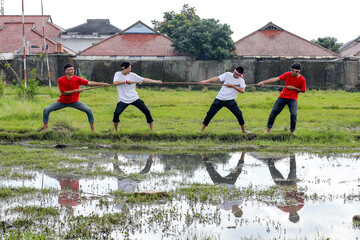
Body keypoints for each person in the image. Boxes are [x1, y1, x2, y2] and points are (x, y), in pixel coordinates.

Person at [40, 64, 110, 132]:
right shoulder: (61, 80)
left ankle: (93, 130)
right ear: (66, 71)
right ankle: (45, 129)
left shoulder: (76, 78)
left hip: (74, 102)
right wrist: (76, 91)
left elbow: (89, 83)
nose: (72, 70)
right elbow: (64, 93)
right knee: (46, 110)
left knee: (89, 110)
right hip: (62, 102)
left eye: (73, 69)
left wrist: (102, 84)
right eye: (70, 69)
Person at [257, 62, 306, 135]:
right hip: (283, 96)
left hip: (293, 98)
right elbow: (276, 79)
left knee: (293, 114)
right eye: (291, 70)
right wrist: (263, 82)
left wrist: (293, 88)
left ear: (297, 71)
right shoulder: (288, 74)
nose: (291, 72)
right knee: (274, 112)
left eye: (293, 70)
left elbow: (303, 90)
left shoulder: (302, 79)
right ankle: (268, 130)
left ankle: (292, 131)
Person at [112, 61, 162, 132]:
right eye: (129, 68)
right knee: (116, 113)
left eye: (130, 68)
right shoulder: (117, 74)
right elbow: (115, 83)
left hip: (134, 98)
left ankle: (152, 129)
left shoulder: (133, 75)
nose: (130, 70)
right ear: (123, 68)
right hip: (123, 100)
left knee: (146, 111)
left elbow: (144, 79)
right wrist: (126, 82)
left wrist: (156, 81)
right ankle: (116, 131)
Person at [199, 67, 250, 133]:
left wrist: (232, 86)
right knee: (210, 114)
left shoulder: (241, 81)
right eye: (234, 73)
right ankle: (201, 130)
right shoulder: (228, 74)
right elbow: (217, 78)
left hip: (230, 100)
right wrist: (205, 81)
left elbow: (242, 91)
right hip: (220, 98)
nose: (234, 75)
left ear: (240, 75)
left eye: (237, 74)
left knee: (239, 114)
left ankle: (243, 130)